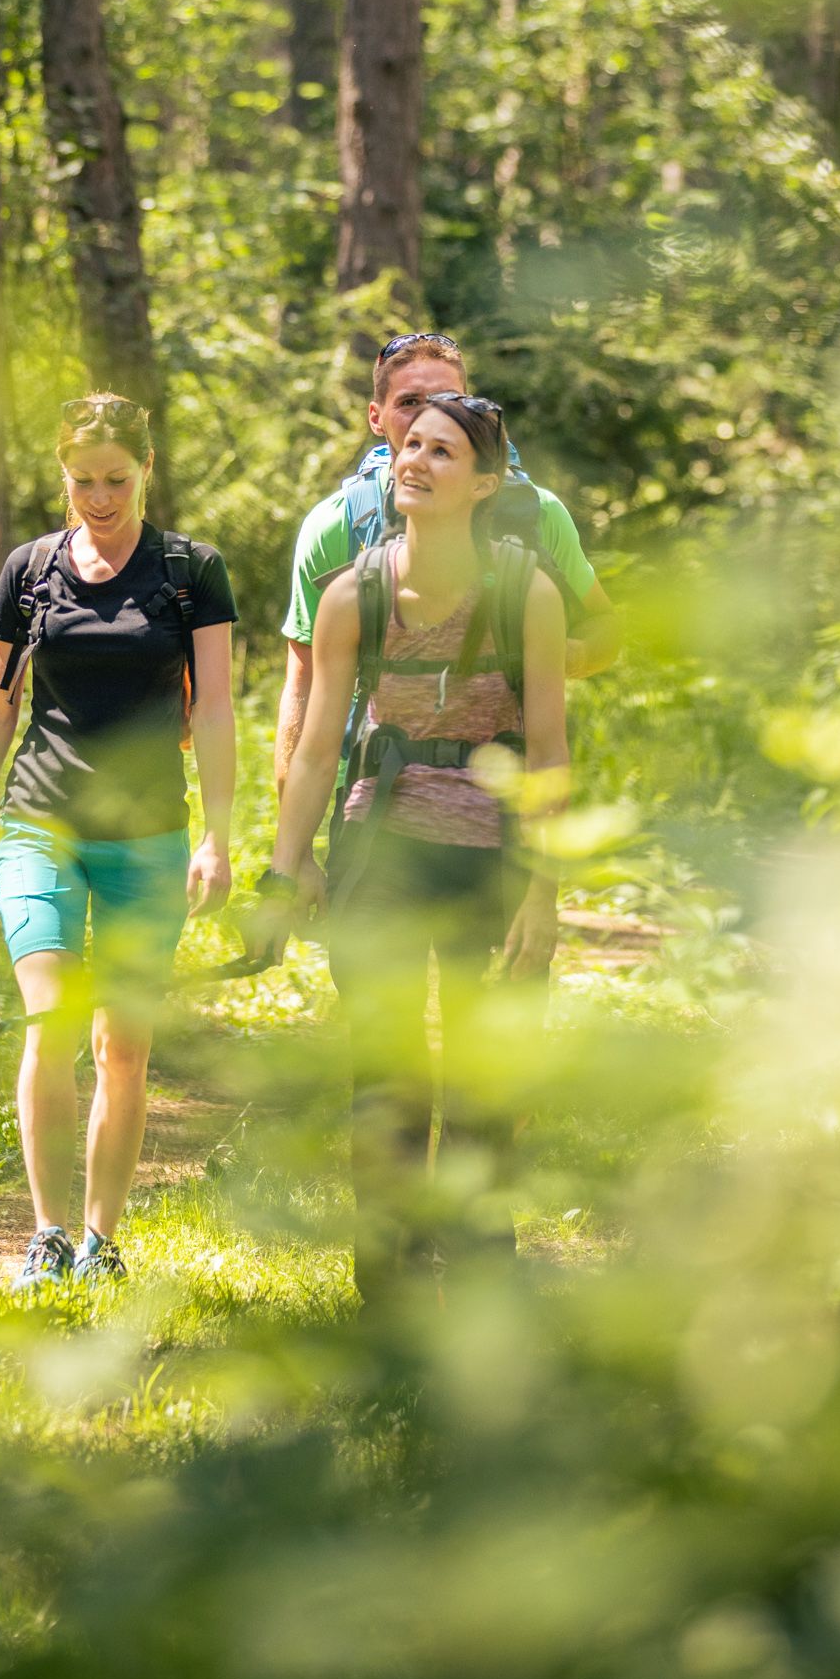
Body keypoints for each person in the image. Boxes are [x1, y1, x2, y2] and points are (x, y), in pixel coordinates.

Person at [257, 391, 569, 1308]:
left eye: (442, 453)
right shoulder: (354, 593)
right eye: (411, 445)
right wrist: (285, 870)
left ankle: (478, 1272)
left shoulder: (526, 592)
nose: (416, 463)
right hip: (380, 843)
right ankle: (387, 1286)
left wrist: (543, 896)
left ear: (485, 484)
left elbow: (550, 752)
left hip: (492, 852)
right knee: (386, 1070)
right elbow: (316, 750)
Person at [0, 394, 239, 1284]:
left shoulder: (190, 572)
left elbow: (218, 715)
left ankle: (100, 1241)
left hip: (149, 835)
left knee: (122, 1046)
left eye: (116, 479)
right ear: (62, 475)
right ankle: (46, 1235)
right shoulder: (29, 568)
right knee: (51, 1022)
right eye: (83, 480)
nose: (99, 497)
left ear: (147, 469)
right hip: (39, 823)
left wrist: (220, 838)